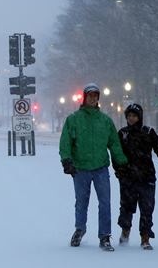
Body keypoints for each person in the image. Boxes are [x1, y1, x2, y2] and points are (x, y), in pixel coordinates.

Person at [59, 83, 128, 251]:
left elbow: (114, 144)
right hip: (80, 168)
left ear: (98, 98)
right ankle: (79, 229)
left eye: (95, 96)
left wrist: (121, 162)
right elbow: (65, 142)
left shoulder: (105, 121)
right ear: (85, 98)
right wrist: (66, 160)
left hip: (100, 168)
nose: (92, 98)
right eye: (90, 95)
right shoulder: (73, 119)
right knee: (81, 202)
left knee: (105, 203)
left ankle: (104, 236)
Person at [115, 103, 158, 250]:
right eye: (129, 116)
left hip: (146, 178)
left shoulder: (148, 132)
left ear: (140, 117)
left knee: (147, 209)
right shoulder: (122, 133)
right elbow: (116, 154)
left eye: (134, 116)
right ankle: (125, 232)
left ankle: (145, 236)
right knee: (126, 208)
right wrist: (119, 171)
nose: (131, 119)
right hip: (128, 178)